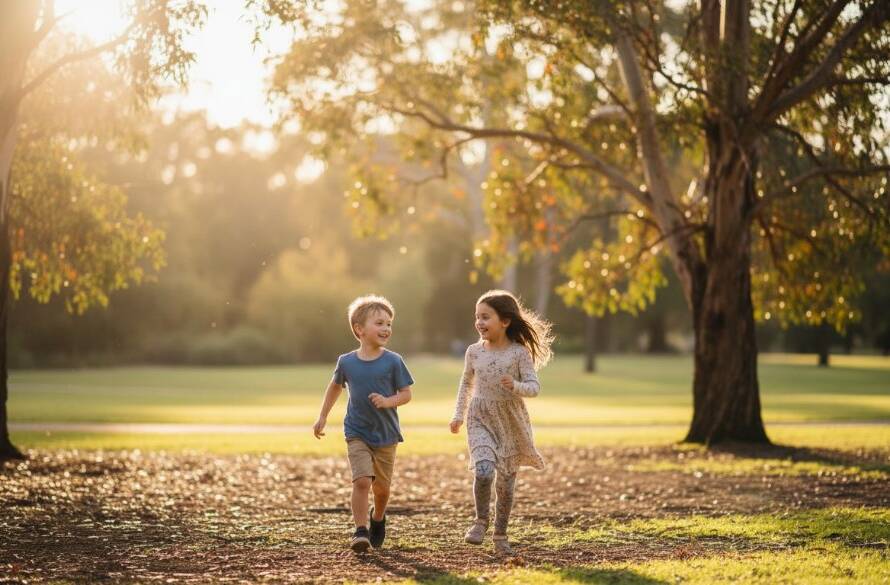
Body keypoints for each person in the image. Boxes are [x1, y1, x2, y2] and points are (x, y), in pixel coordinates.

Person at [449, 289, 554, 555]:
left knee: (506, 483)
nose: (479, 323)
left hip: (510, 420)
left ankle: (500, 535)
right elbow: (466, 383)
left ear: (505, 321)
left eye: (486, 317)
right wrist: (458, 414)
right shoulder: (473, 352)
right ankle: (480, 521)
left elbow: (534, 387)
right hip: (480, 416)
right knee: (483, 470)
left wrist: (516, 385)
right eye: (477, 317)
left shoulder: (518, 353)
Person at [313, 295, 414, 553]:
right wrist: (323, 416)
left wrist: (388, 401)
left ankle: (378, 516)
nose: (386, 329)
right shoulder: (346, 362)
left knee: (382, 489)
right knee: (361, 482)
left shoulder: (393, 360)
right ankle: (360, 530)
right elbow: (335, 387)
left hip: (386, 435)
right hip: (356, 431)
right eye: (379, 323)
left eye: (389, 324)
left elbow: (406, 394)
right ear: (359, 329)